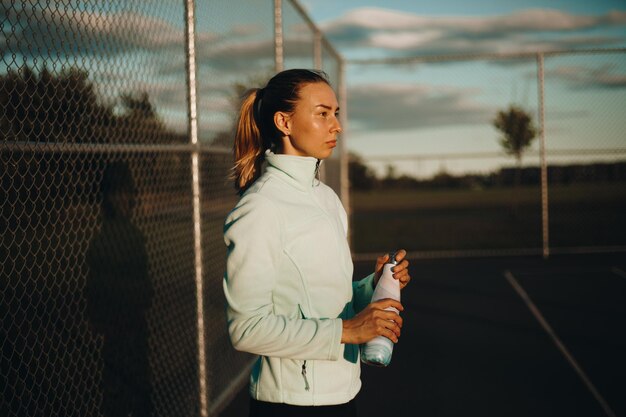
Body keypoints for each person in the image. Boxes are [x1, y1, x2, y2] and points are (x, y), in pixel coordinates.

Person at [223, 69, 411, 417]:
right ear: (284, 122)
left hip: (342, 395)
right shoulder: (260, 208)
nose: (336, 125)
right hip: (290, 405)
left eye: (336, 114)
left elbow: (326, 298)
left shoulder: (326, 198)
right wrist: (348, 330)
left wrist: (375, 287)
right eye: (323, 113)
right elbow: (245, 329)